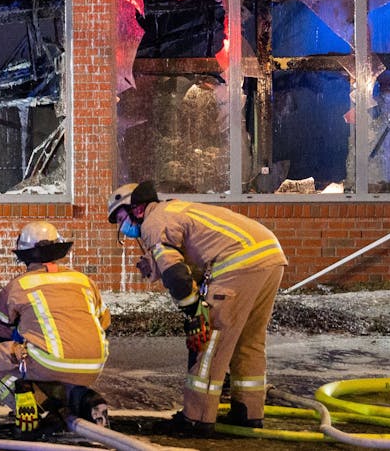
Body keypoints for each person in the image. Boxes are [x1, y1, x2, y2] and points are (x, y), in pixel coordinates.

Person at [108, 181, 288, 436]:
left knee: (208, 341)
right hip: (269, 257)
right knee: (249, 341)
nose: (121, 227)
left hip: (238, 264)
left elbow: (176, 275)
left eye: (120, 218)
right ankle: (247, 412)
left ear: (136, 209)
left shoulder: (154, 222)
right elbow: (188, 261)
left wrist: (193, 311)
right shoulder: (175, 210)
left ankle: (196, 418)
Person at [0, 222, 110, 438]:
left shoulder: (19, 285)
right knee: (59, 367)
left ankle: (37, 408)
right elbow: (104, 323)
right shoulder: (83, 280)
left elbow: (0, 333)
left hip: (49, 362)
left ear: (25, 255)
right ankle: (85, 400)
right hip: (94, 363)